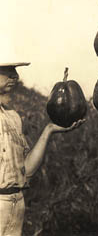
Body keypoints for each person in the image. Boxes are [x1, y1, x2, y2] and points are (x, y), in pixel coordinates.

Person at [0, 58, 85, 235]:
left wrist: (49, 130)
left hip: (15, 203)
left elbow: (26, 171)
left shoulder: (13, 117)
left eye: (15, 70)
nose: (15, 75)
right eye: (7, 70)